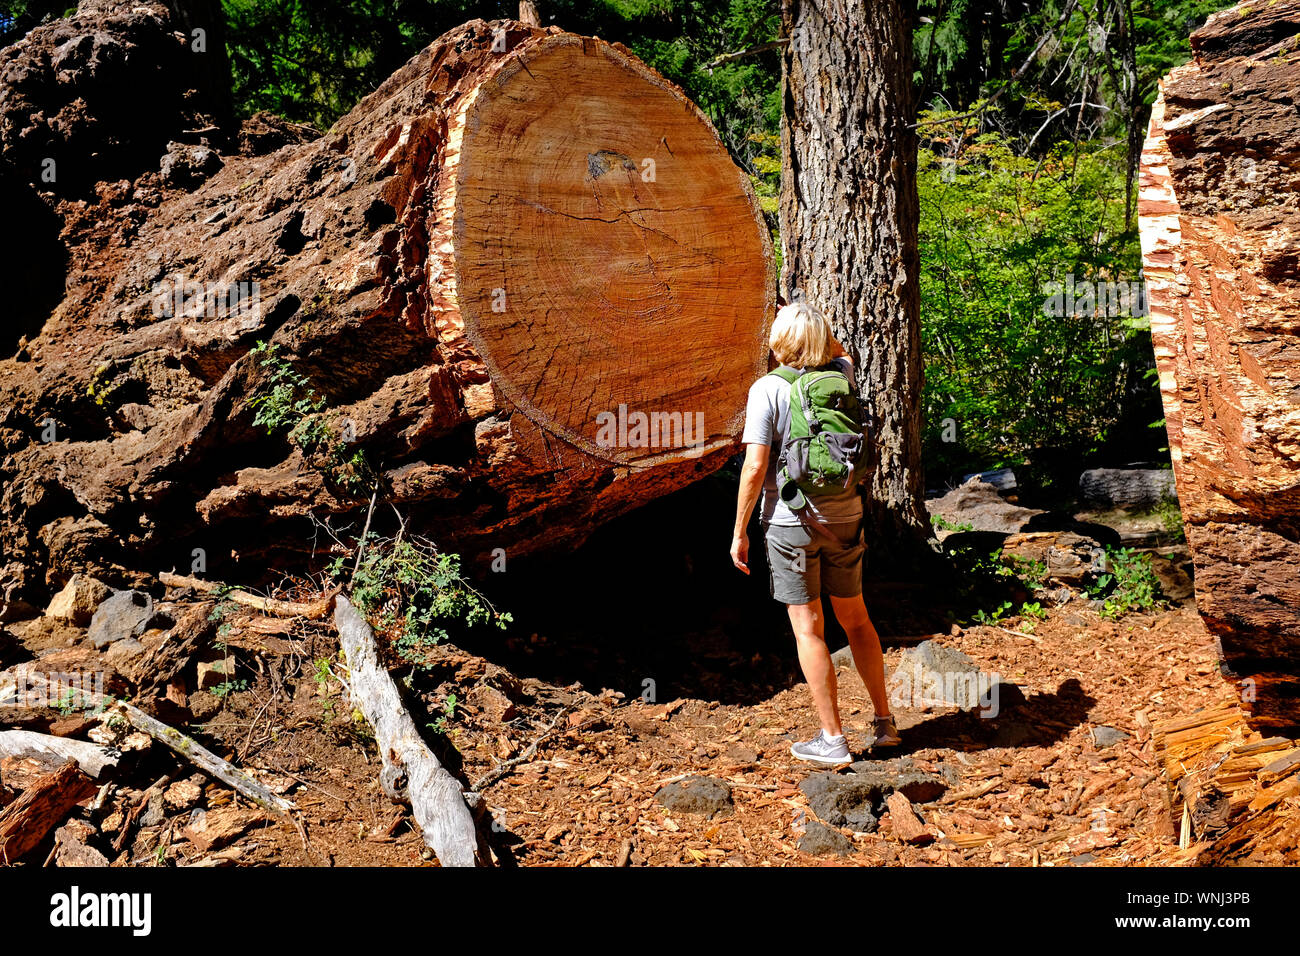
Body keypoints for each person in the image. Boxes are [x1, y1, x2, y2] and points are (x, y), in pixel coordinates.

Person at [731, 300, 899, 764]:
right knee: (857, 619)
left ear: (777, 342)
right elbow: (841, 349)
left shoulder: (766, 389)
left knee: (808, 629)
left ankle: (832, 739)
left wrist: (739, 531)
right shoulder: (841, 375)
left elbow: (755, 467)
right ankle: (884, 724)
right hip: (846, 516)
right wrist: (811, 321)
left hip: (791, 522)